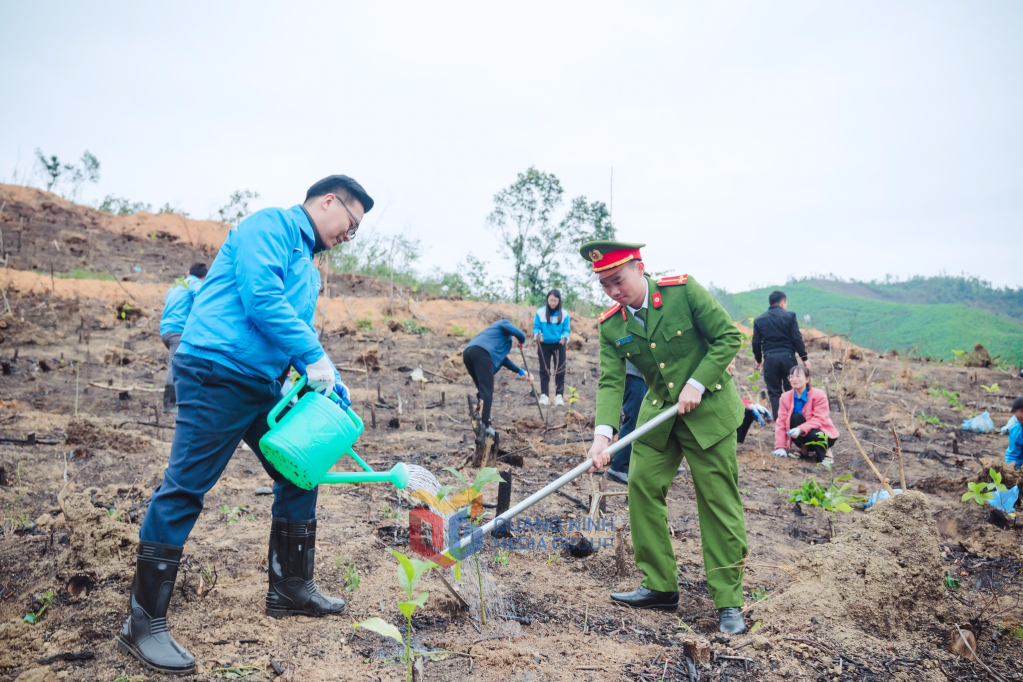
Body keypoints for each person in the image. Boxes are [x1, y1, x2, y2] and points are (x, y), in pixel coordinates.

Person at [118, 175, 370, 676]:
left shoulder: (310, 266)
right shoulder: (271, 226)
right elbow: (261, 301)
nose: (349, 236)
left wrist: (322, 376)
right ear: (328, 201)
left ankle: (291, 587)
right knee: (186, 486)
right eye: (352, 224)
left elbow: (291, 329)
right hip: (216, 369)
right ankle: (142, 623)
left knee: (303, 469)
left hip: (263, 383)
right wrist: (315, 355)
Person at [581, 240, 749, 635]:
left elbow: (728, 337)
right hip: (660, 414)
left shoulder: (682, 291)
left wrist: (697, 382)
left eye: (617, 280)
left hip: (708, 411)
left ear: (639, 268)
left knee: (717, 499)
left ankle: (728, 600)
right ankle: (659, 586)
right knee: (642, 483)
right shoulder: (612, 324)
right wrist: (602, 436)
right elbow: (610, 381)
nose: (613, 291)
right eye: (604, 285)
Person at [462, 319, 532, 436]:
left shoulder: (499, 338)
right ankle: (486, 426)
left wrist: (522, 372)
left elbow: (503, 359)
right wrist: (522, 341)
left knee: (482, 390)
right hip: (481, 353)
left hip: (469, 352)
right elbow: (521, 334)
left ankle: (482, 420)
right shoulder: (503, 323)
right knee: (487, 390)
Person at [158, 263, 208, 414]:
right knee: (175, 366)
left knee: (185, 364)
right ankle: (169, 405)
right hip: (178, 331)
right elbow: (202, 296)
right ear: (204, 277)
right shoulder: (195, 283)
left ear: (188, 272)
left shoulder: (176, 286)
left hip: (165, 330)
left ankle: (181, 401)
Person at [752, 290, 809, 420]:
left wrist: (758, 359)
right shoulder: (790, 316)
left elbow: (756, 342)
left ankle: (780, 424)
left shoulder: (759, 320)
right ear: (783, 303)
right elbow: (797, 338)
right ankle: (793, 422)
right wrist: (804, 358)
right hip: (788, 358)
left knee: (774, 393)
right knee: (791, 390)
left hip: (770, 359)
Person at [773, 365, 839, 463]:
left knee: (814, 433)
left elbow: (820, 419)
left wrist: (800, 429)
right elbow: (781, 421)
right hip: (804, 435)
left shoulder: (819, 395)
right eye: (791, 376)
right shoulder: (785, 397)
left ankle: (825, 451)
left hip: (822, 434)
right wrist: (780, 446)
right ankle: (804, 449)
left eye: (798, 376)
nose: (793, 379)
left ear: (807, 379)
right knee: (794, 417)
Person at [532, 289, 571, 406]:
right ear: (547, 300)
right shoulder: (540, 313)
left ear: (559, 301)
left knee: (560, 369)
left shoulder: (564, 314)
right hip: (544, 345)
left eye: (555, 300)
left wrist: (564, 337)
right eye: (551, 300)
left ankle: (559, 396)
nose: (553, 302)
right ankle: (545, 395)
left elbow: (566, 329)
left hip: (559, 345)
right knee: (544, 370)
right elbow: (536, 327)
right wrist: (538, 335)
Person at [727, 361, 773, 444]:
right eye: (730, 363)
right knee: (743, 410)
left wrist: (751, 404)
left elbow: (734, 399)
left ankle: (732, 444)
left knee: (748, 411)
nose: (733, 367)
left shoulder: (727, 380)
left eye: (734, 364)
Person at [1005, 396, 1023, 470]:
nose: (1021, 422)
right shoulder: (1016, 429)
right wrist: (1009, 468)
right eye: (1019, 419)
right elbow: (1013, 455)